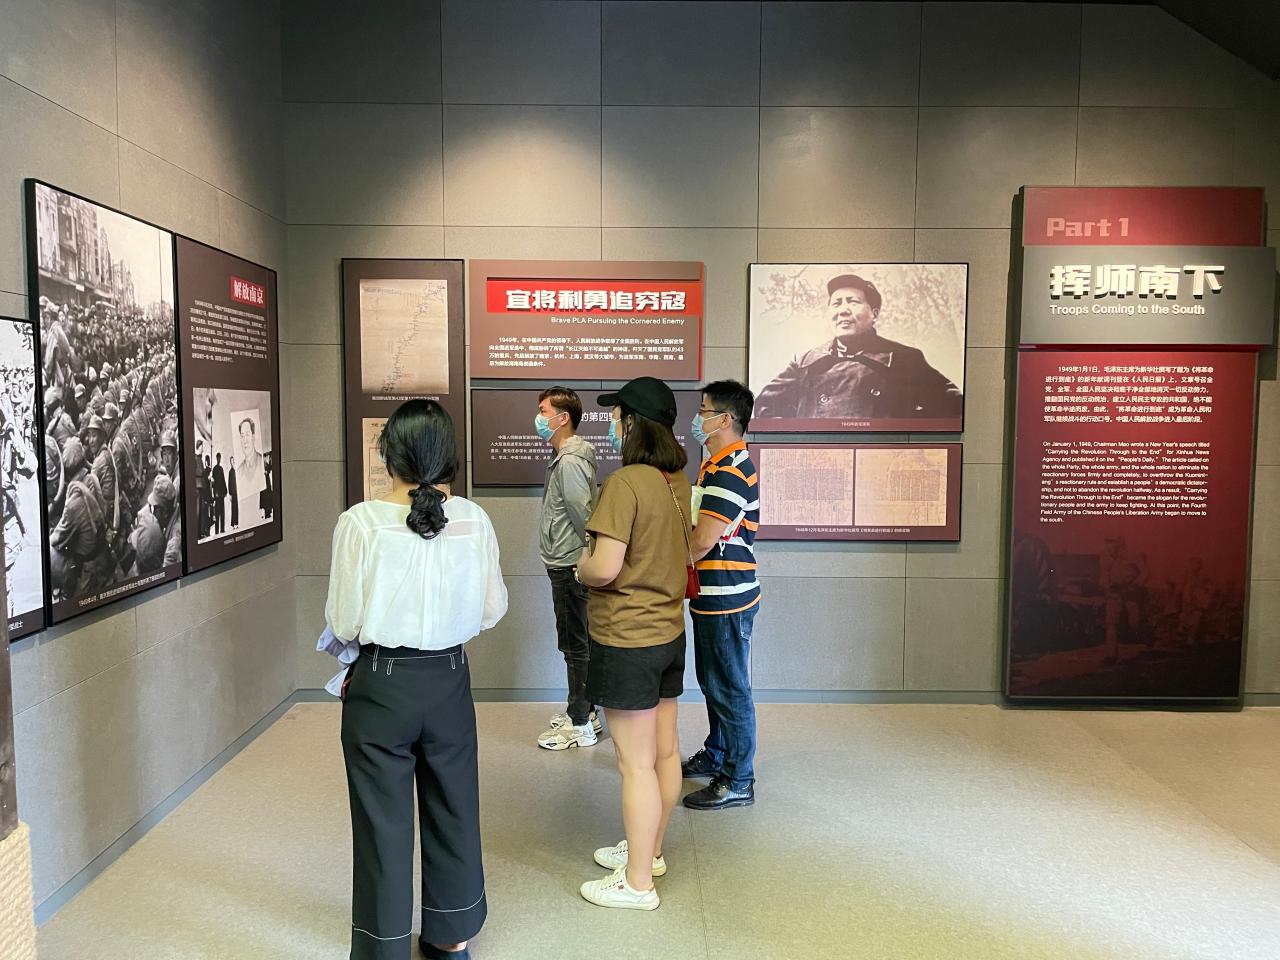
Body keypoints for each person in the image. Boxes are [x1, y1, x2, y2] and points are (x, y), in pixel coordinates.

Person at [326, 399, 507, 960]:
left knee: (382, 821)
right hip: (449, 680)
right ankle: (451, 938)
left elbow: (344, 621)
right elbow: (492, 610)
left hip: (382, 686)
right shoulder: (474, 519)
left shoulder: (360, 522)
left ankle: (384, 947)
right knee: (455, 807)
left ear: (388, 455)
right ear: (448, 456)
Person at [576, 377, 691, 912]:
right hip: (668, 633)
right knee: (665, 752)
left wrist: (580, 565)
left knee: (635, 764)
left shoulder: (625, 483)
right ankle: (651, 851)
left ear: (633, 424)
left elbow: (604, 567)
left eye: (616, 416)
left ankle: (637, 883)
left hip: (627, 639)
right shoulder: (676, 481)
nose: (612, 424)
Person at [681, 380, 761, 811]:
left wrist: (659, 566)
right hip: (713, 593)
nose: (698, 418)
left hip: (728, 596)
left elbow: (701, 541)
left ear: (725, 419)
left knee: (729, 688)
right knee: (714, 683)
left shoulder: (731, 470)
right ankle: (717, 753)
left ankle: (738, 779)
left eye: (704, 410)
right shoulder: (714, 465)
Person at [754, 273, 962, 421]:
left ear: (874, 314)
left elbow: (952, 404)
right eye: (836, 303)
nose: (843, 310)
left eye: (853, 302)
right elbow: (765, 408)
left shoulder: (904, 359)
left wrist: (903, 429)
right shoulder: (805, 362)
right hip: (820, 458)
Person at [533, 386, 601, 751]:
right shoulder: (564, 457)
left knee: (575, 645)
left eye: (544, 411)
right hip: (565, 559)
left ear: (563, 418)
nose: (539, 417)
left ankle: (580, 724)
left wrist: (585, 557)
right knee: (578, 641)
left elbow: (584, 516)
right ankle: (585, 710)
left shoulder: (571, 461)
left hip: (569, 563)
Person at [211, 452, 227, 535]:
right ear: (216, 458)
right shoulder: (214, 469)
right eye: (218, 458)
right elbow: (213, 484)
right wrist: (215, 494)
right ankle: (217, 531)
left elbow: (223, 480)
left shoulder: (221, 469)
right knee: (217, 513)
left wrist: (225, 491)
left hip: (221, 494)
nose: (219, 459)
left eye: (219, 458)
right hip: (217, 495)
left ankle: (222, 529)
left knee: (222, 512)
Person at [228, 456, 239, 529]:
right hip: (232, 492)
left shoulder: (236, 470)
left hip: (237, 492)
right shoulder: (230, 471)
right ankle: (233, 524)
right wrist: (230, 494)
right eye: (232, 461)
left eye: (233, 460)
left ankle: (236, 523)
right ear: (230, 462)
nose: (233, 461)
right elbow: (229, 483)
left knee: (236, 508)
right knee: (233, 508)